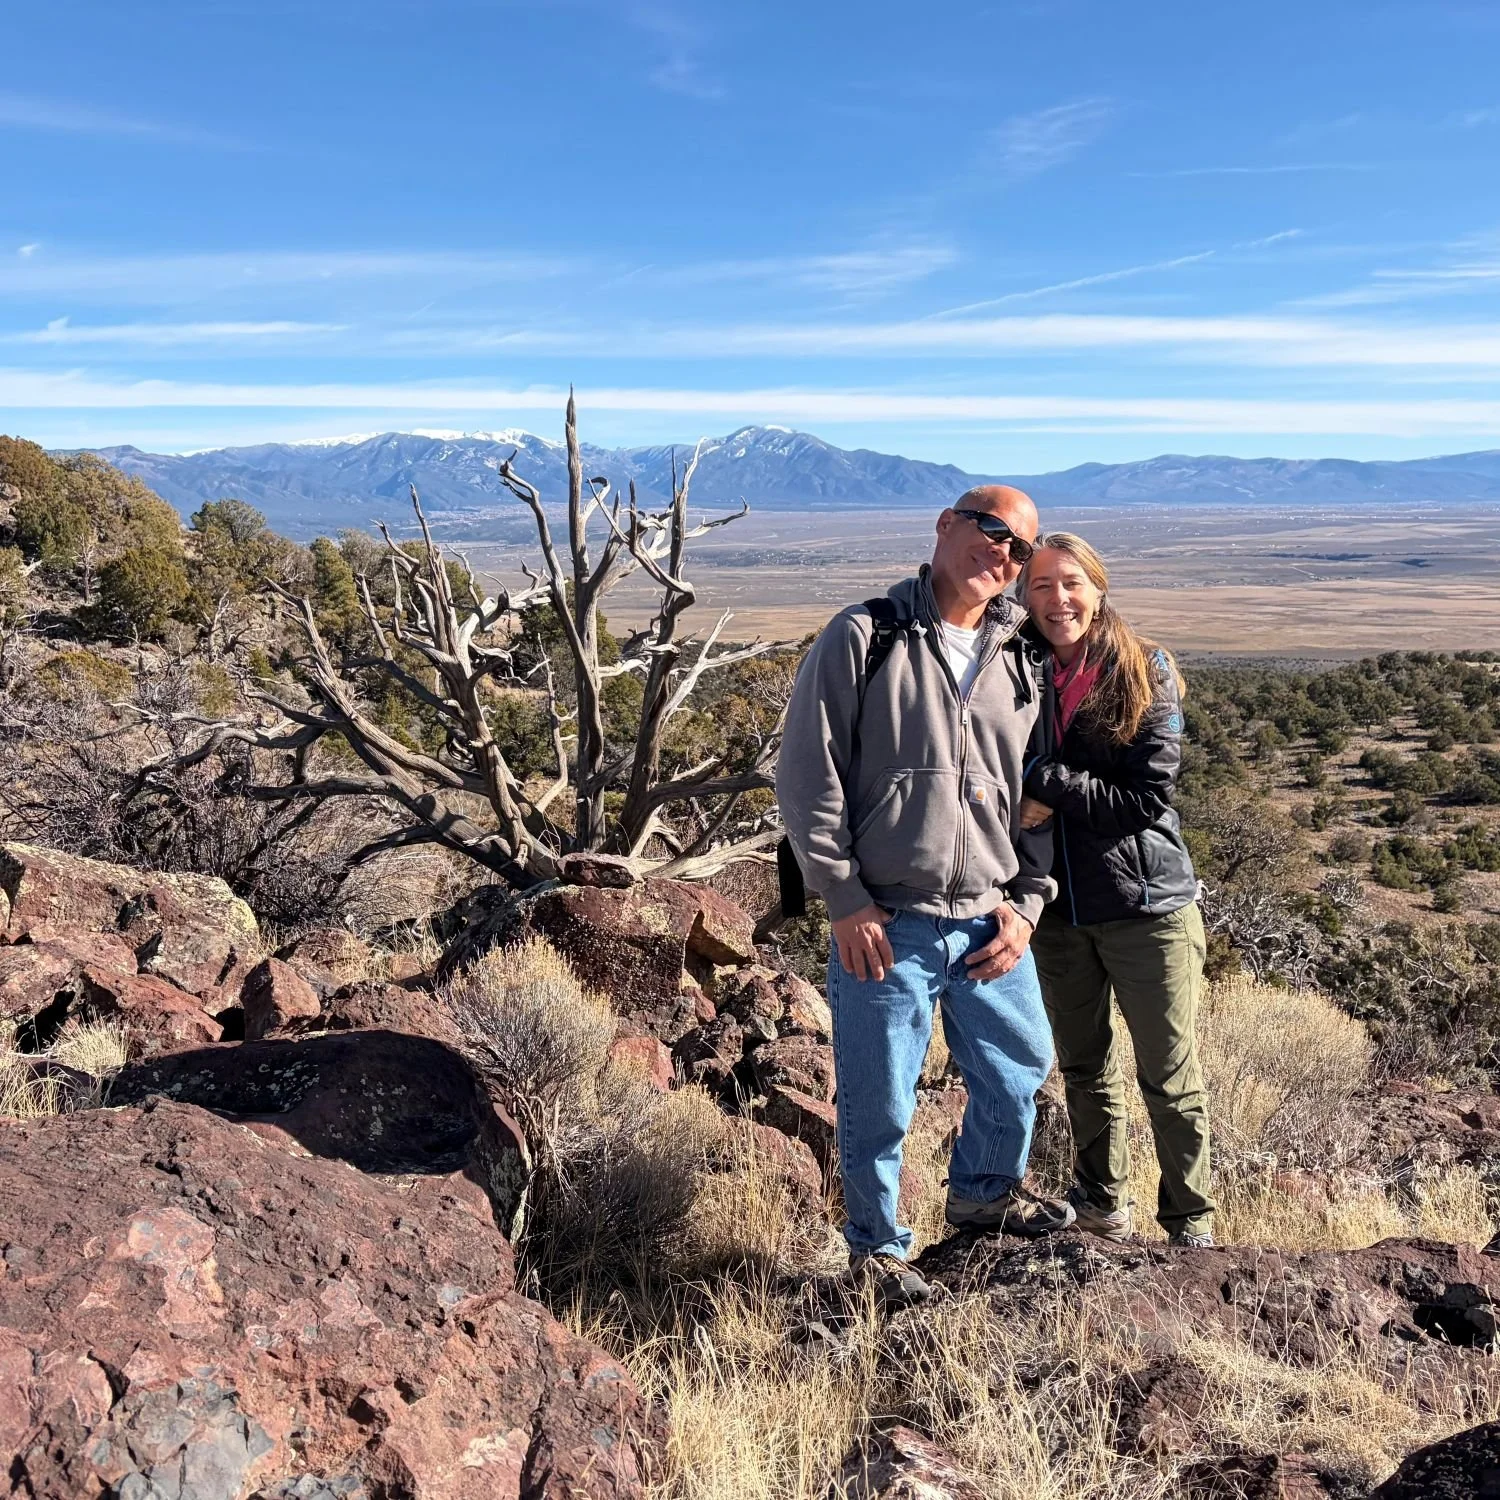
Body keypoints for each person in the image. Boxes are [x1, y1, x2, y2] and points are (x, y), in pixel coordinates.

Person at [776, 485, 1074, 1309]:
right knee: (880, 1098)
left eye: (1020, 548)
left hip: (988, 914)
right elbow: (808, 776)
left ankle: (983, 1192)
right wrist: (842, 897)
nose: (1004, 555)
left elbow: (1038, 794)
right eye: (990, 531)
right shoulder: (865, 634)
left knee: (1020, 1064)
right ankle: (876, 1252)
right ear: (945, 527)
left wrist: (1029, 901)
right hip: (888, 919)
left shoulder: (1021, 657)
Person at [1016, 532, 1214, 1248]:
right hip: (1060, 909)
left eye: (1071, 582)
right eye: (1040, 585)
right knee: (1083, 1069)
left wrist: (1046, 784)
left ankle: (1190, 1223)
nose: (1057, 599)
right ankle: (1102, 1205)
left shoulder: (1144, 668)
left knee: (1167, 1073)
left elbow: (1145, 797)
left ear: (1099, 588)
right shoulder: (1019, 668)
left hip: (1146, 907)